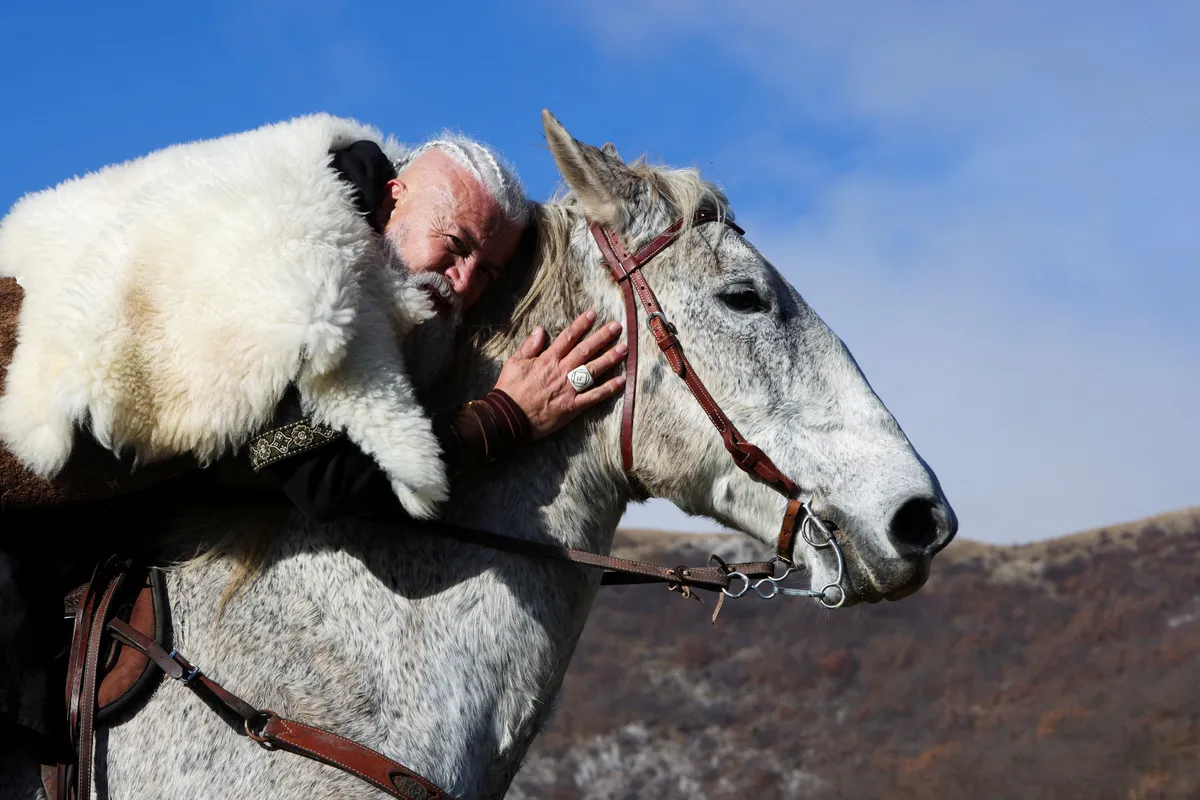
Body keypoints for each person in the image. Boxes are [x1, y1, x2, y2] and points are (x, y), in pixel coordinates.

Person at [0, 127, 628, 757]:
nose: (463, 283)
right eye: (456, 246)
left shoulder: (374, 242)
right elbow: (320, 475)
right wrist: (502, 418)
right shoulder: (302, 261)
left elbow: (280, 448)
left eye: (487, 271)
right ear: (395, 196)